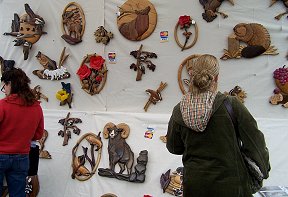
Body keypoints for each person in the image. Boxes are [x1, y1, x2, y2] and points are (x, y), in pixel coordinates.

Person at [166, 54, 270, 197]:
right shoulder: (231, 105)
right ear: (216, 78)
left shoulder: (179, 109)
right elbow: (255, 144)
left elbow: (173, 147)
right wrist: (263, 170)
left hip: (195, 187)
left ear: (192, 76)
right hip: (233, 185)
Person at [0, 68, 44, 197]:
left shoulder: (3, 105)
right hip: (22, 157)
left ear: (10, 84)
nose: (4, 90)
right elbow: (38, 135)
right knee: (19, 194)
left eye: (4, 85)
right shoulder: (36, 107)